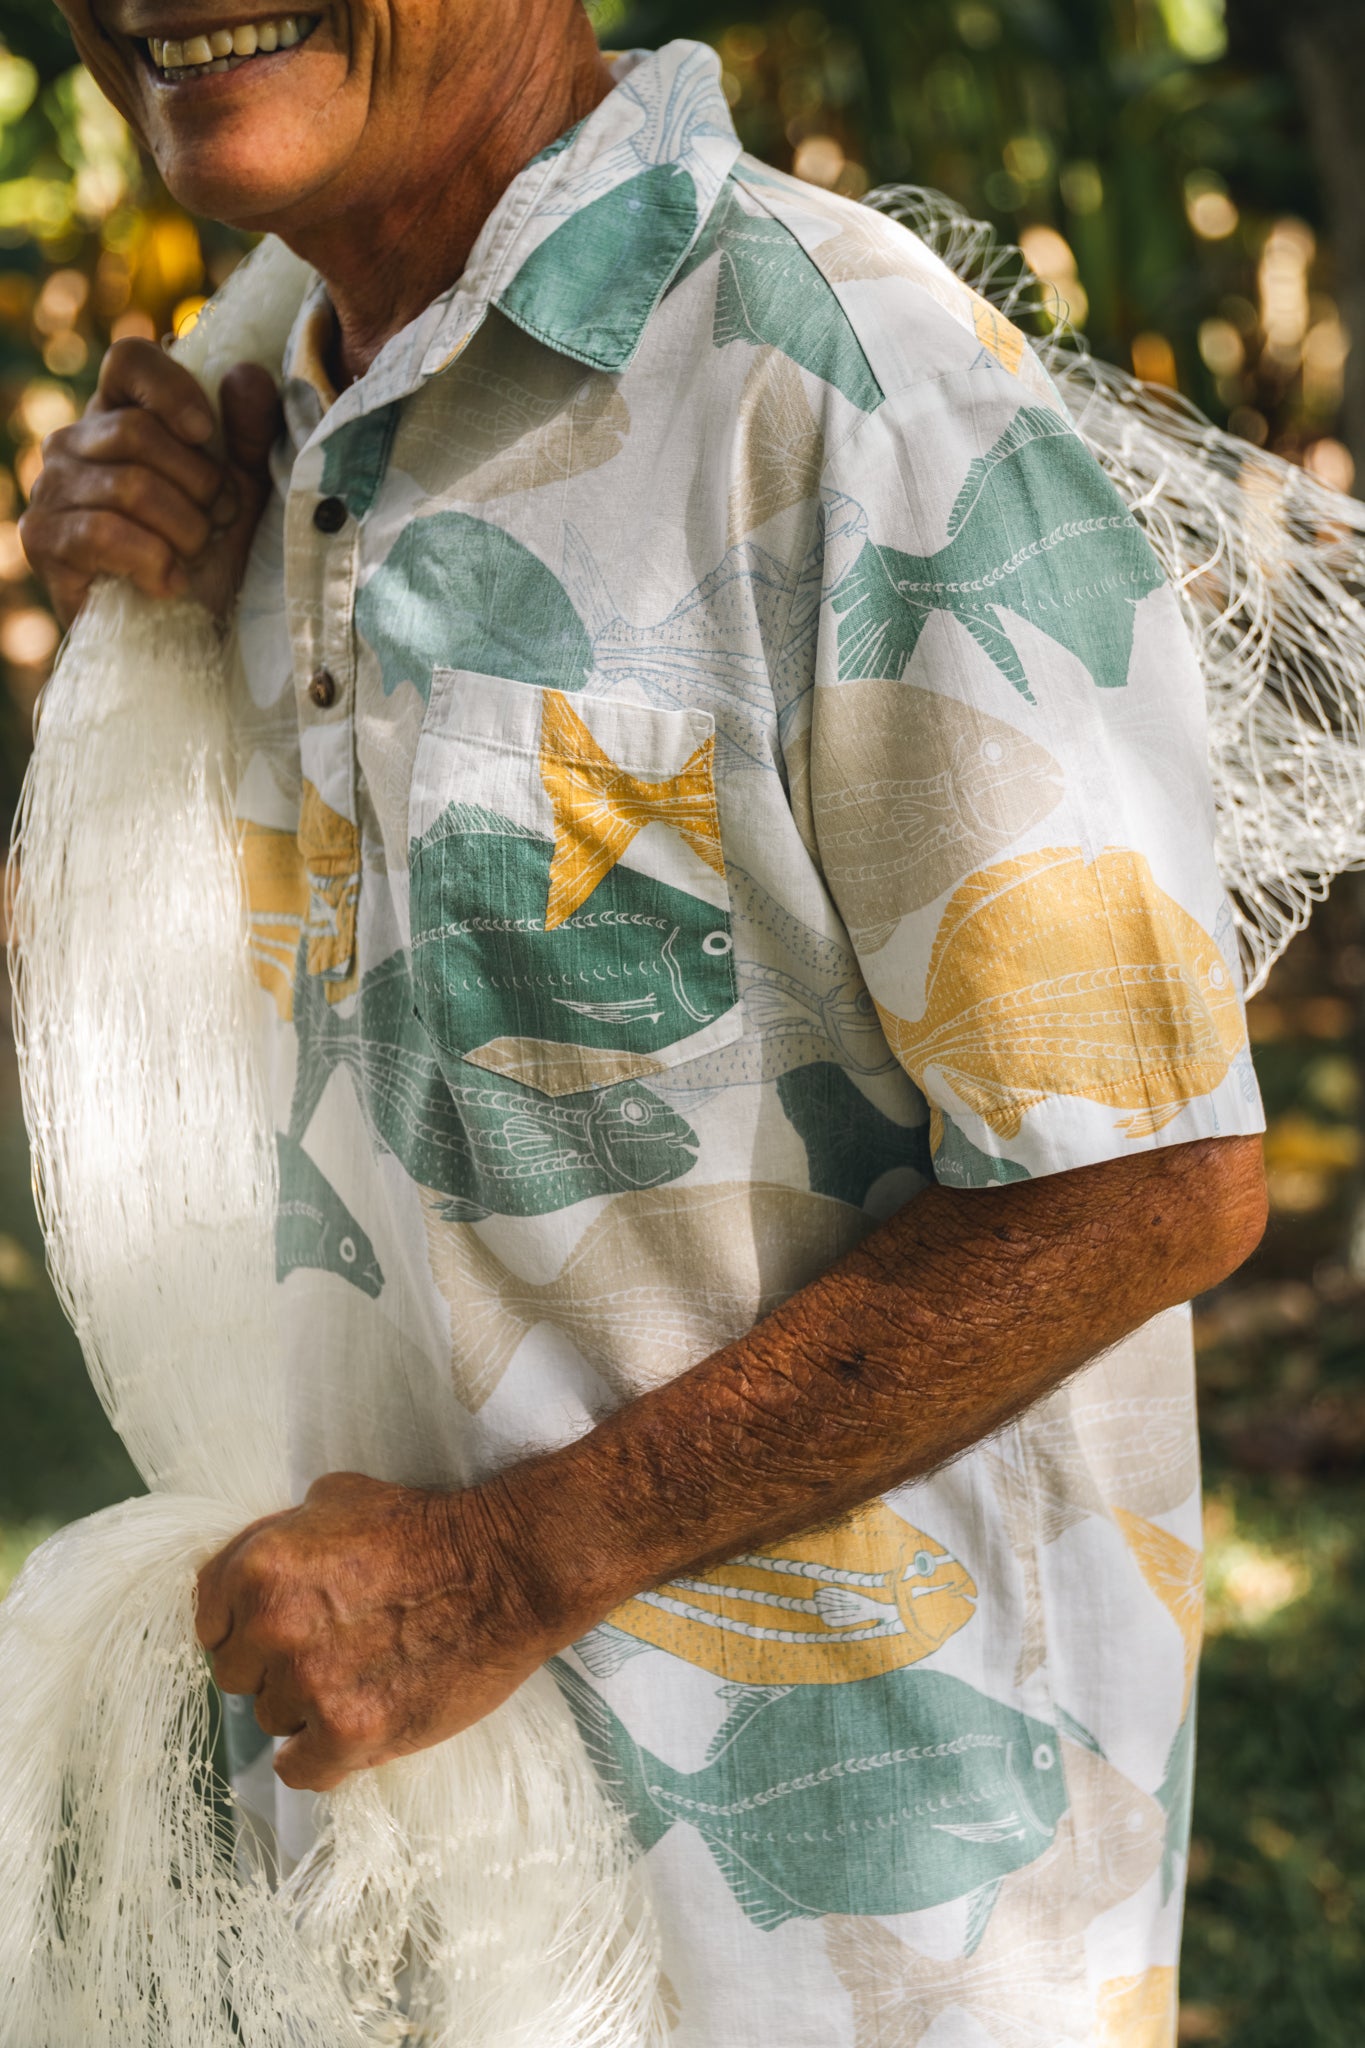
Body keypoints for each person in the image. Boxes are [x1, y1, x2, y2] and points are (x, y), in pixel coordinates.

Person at [21, 2, 1267, 2039]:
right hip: (411, 1880)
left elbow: (1149, 1181)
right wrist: (151, 648)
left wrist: (500, 1572)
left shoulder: (837, 381)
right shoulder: (277, 425)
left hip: (855, 1936)